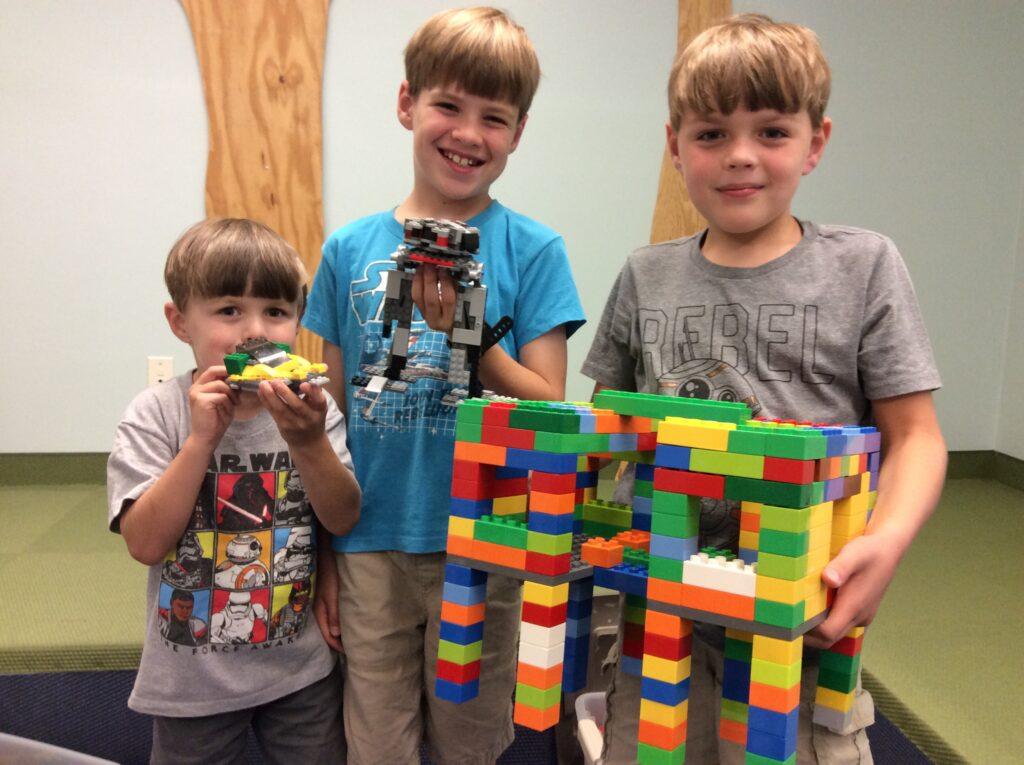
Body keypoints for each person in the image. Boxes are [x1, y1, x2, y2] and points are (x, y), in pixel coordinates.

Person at [581, 14, 947, 764]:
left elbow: (915, 435)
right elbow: (608, 423)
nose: (740, 156)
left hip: (800, 617)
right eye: (711, 133)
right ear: (674, 146)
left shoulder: (864, 266)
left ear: (816, 142)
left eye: (772, 132)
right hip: (661, 610)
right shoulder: (646, 274)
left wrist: (887, 542)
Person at [302, 7, 585, 763]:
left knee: (468, 742)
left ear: (517, 134)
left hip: (486, 541)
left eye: (494, 117)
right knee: (377, 743)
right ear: (408, 105)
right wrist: (325, 555)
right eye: (448, 106)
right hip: (368, 540)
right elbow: (326, 423)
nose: (468, 133)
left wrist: (473, 336)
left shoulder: (534, 248)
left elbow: (553, 409)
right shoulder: (347, 248)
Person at [107, 218, 361, 764]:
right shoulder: (157, 414)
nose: (256, 331)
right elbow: (145, 544)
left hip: (300, 669)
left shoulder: (313, 411)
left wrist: (310, 442)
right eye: (229, 311)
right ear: (180, 321)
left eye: (276, 312)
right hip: (191, 679)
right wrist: (201, 441)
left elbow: (341, 518)